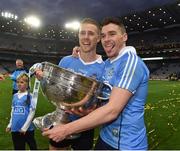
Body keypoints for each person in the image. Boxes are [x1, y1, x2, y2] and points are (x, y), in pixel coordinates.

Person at [42, 17, 149, 150]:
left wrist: (66, 129)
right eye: (104, 35)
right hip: (105, 137)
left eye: (112, 34)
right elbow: (101, 100)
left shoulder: (129, 62)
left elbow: (112, 111)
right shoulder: (109, 64)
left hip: (125, 144)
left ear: (124, 37)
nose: (107, 39)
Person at [36, 18, 104, 150]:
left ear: (98, 38)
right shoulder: (66, 61)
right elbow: (56, 88)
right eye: (82, 33)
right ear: (78, 35)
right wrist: (44, 79)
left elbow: (102, 103)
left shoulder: (104, 68)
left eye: (90, 33)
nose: (86, 37)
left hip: (85, 126)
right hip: (60, 120)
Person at [6, 73, 37, 150]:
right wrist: (10, 124)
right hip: (15, 128)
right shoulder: (15, 96)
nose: (19, 84)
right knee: (18, 147)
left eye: (22, 82)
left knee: (33, 147)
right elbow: (13, 111)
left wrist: (24, 128)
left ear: (27, 84)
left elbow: (32, 112)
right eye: (18, 82)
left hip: (27, 129)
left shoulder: (30, 96)